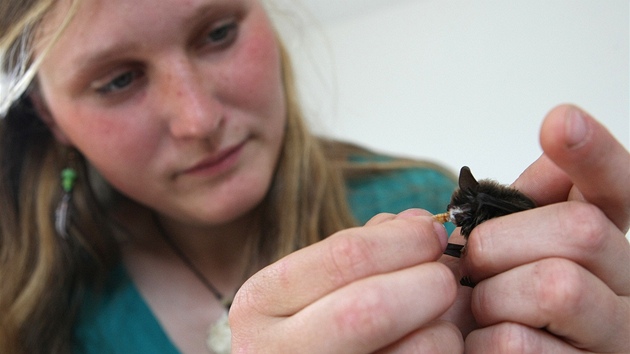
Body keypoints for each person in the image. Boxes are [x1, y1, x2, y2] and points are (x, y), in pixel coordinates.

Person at [0, 0, 628, 353]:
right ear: (48, 116)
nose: (198, 119)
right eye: (118, 79)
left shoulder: (425, 207)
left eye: (218, 33)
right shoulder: (33, 301)